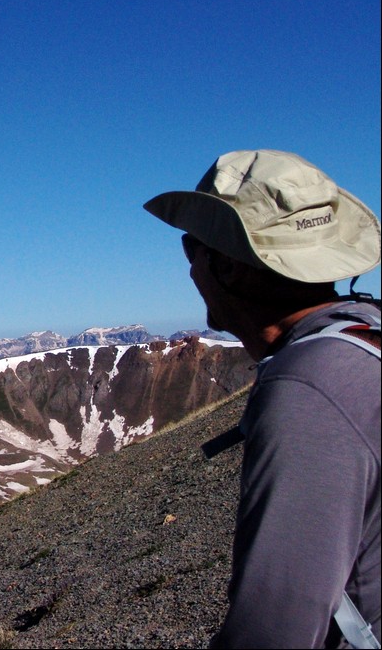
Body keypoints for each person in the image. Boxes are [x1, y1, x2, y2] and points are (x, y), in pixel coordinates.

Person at [143, 149, 381, 649]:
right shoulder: (366, 339)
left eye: (193, 249)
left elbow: (278, 622)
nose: (189, 267)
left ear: (226, 266)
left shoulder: (309, 389)